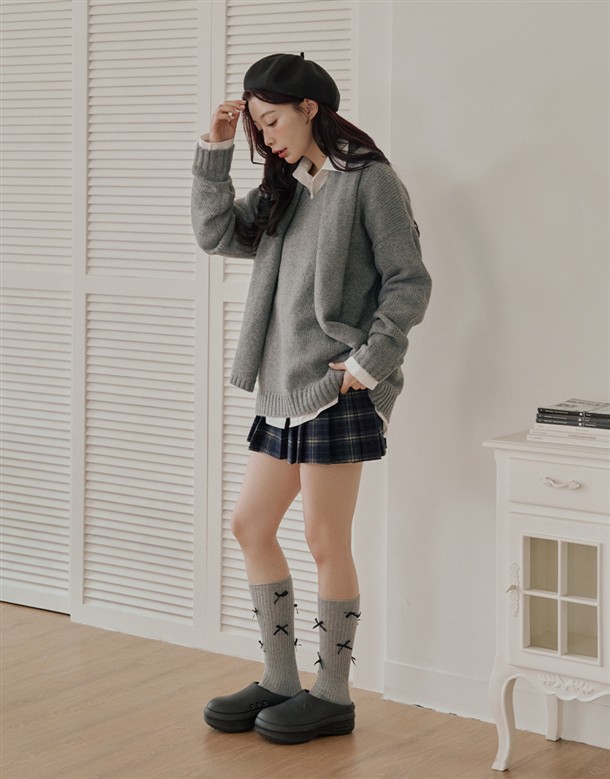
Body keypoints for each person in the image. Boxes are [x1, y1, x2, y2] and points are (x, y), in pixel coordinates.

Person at [191, 52, 431, 745]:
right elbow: (214, 234)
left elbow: (408, 281)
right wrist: (215, 150)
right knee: (251, 525)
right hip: (283, 387)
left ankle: (332, 694)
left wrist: (368, 362)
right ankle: (279, 677)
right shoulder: (287, 188)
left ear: (309, 108)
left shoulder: (370, 181)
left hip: (337, 388)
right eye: (257, 127)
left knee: (326, 539)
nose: (265, 137)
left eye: (272, 121)